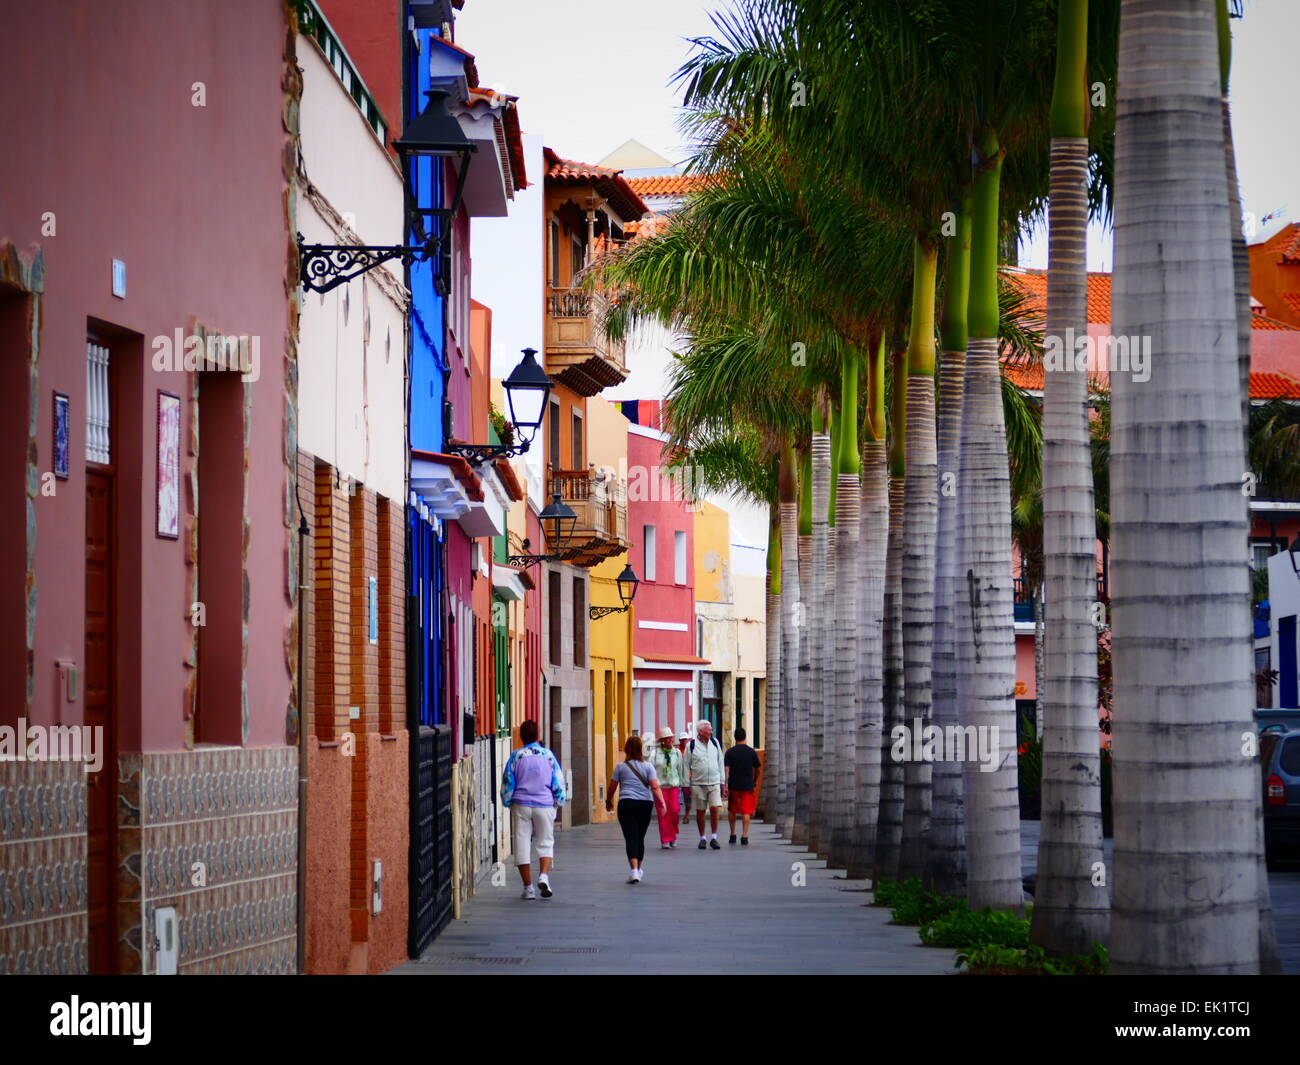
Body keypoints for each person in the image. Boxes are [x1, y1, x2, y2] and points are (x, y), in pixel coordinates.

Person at [500, 718, 566, 900]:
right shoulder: (548, 756)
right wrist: (558, 801)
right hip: (544, 805)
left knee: (522, 843)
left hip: (522, 804)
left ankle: (528, 888)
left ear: (521, 736)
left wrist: (507, 801)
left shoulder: (516, 756)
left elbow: (508, 782)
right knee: (546, 842)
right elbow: (558, 782)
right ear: (538, 735)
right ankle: (543, 876)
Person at [605, 735, 667, 883]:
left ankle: (634, 871)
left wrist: (608, 801)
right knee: (640, 838)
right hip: (645, 805)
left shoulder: (620, 767)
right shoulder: (648, 766)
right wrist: (662, 803)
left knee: (631, 837)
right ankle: (638, 870)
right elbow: (655, 786)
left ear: (627, 749)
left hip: (626, 803)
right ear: (641, 749)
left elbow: (612, 786)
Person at [684, 719, 726, 849]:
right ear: (701, 731)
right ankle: (702, 838)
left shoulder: (715, 742)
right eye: (709, 730)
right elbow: (686, 765)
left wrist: (722, 782)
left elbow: (720, 761)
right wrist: (686, 783)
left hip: (714, 782)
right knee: (700, 811)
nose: (711, 731)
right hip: (698, 783)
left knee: (715, 808)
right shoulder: (691, 745)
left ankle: (714, 837)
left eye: (711, 729)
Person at [724, 727, 762, 845]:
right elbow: (758, 770)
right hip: (747, 786)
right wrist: (754, 781)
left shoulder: (729, 752)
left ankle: (732, 834)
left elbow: (727, 771)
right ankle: (744, 836)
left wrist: (725, 785)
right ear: (745, 737)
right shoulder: (751, 752)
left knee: (732, 810)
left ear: (735, 738)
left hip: (733, 785)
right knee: (746, 811)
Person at [648, 727, 684, 848]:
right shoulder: (655, 754)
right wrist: (652, 785)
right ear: (662, 740)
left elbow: (680, 769)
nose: (670, 740)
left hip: (673, 786)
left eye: (671, 737)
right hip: (660, 787)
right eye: (667, 738)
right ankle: (666, 839)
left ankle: (672, 833)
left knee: (674, 810)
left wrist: (682, 784)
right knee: (663, 813)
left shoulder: (677, 753)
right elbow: (650, 770)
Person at [677, 731, 693, 825]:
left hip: (688, 777)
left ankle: (687, 815)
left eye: (685, 740)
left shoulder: (690, 750)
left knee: (688, 798)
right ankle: (676, 815)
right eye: (682, 740)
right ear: (679, 741)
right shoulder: (676, 750)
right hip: (678, 777)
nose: (684, 741)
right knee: (677, 798)